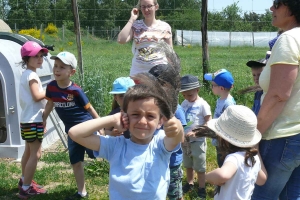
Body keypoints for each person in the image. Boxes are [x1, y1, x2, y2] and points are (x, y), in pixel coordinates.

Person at [68, 59, 184, 199]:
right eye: (135, 114)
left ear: (160, 121)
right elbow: (74, 133)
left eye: (150, 116)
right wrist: (111, 119)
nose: (142, 121)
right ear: (124, 116)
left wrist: (177, 127)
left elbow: (176, 137)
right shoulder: (116, 145)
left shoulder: (160, 145)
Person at [252, 1, 300, 199]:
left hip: (281, 136)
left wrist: (253, 136)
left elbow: (278, 95)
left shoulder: (289, 39)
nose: (272, 9)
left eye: (277, 4)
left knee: (262, 195)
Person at [42, 52, 101, 200]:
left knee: (100, 154)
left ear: (71, 72)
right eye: (55, 66)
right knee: (75, 161)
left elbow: (89, 108)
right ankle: (82, 192)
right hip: (72, 132)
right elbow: (49, 104)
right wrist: (43, 120)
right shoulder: (51, 87)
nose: (57, 69)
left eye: (62, 67)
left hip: (87, 129)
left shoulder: (76, 90)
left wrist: (100, 125)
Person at [204, 105, 267, 200]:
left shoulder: (234, 158)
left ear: (224, 139)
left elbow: (223, 175)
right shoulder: (253, 158)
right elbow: (262, 180)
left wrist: (207, 177)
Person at [149, 64, 187, 200]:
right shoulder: (150, 107)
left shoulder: (176, 110)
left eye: (161, 85)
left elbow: (181, 138)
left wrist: (174, 129)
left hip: (172, 162)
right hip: (153, 159)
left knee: (175, 194)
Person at [17, 41, 48, 199]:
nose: (39, 58)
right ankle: (26, 188)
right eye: (35, 56)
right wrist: (51, 90)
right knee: (35, 154)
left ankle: (24, 180)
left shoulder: (26, 74)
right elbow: (37, 96)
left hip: (27, 119)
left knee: (28, 152)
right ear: (26, 59)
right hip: (33, 119)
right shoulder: (32, 75)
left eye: (41, 55)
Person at [117, 0, 173, 76]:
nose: (146, 10)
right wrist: (132, 19)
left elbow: (170, 52)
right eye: (143, 6)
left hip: (159, 72)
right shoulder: (136, 25)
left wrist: (173, 72)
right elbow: (121, 40)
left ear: (156, 7)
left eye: (149, 6)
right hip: (138, 72)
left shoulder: (165, 27)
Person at [180, 75, 212, 199]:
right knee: (188, 163)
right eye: (184, 95)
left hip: (198, 141)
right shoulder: (184, 103)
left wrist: (197, 132)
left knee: (200, 165)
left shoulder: (203, 104)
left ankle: (202, 187)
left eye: (190, 95)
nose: (187, 98)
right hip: (186, 140)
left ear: (197, 90)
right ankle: (190, 183)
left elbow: (209, 122)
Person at [204, 69, 235, 167]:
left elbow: (228, 123)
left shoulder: (228, 104)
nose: (211, 87)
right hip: (219, 138)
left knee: (224, 161)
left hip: (225, 140)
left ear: (221, 88)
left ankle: (225, 180)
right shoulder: (220, 100)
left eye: (213, 85)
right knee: (220, 159)